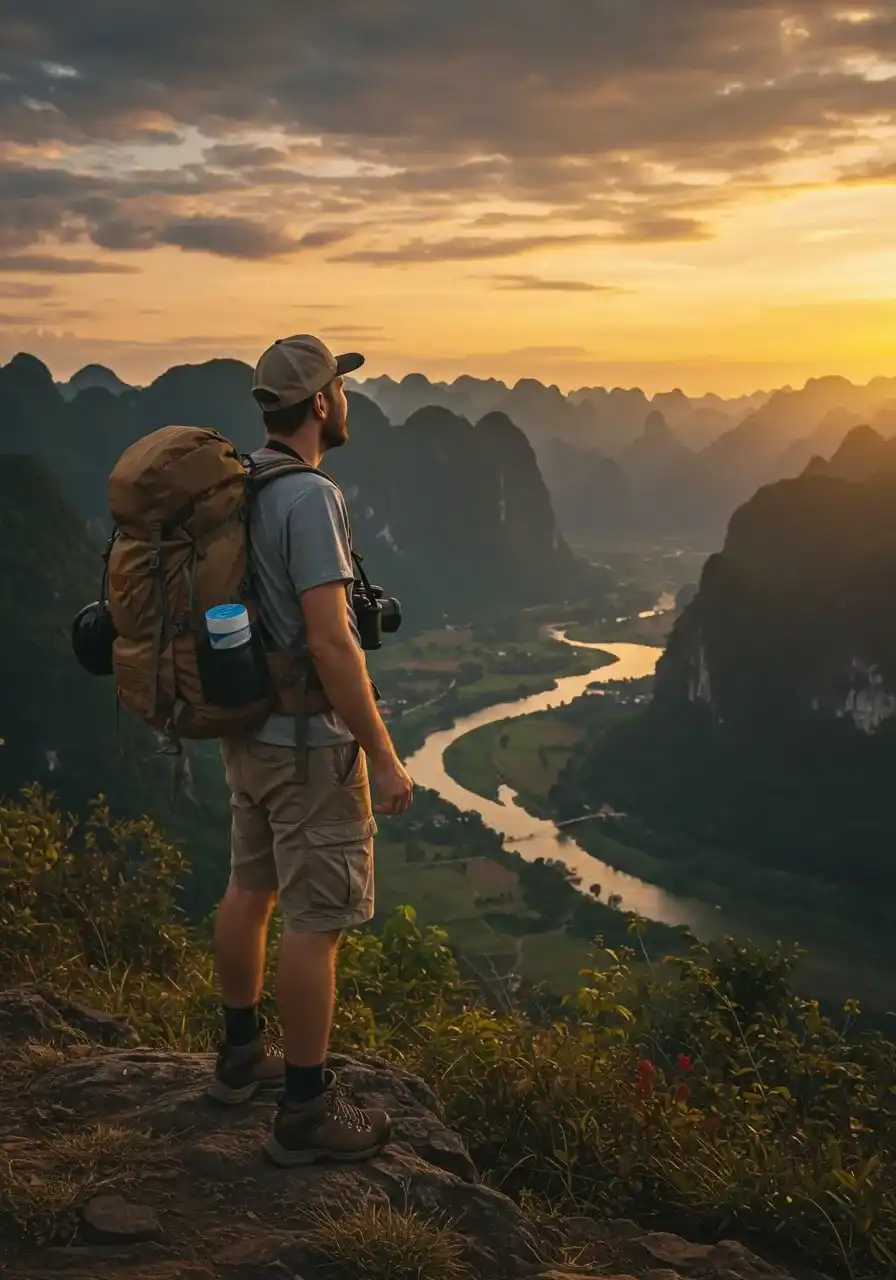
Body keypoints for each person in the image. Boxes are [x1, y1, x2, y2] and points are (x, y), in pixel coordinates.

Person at [207, 335, 415, 1167]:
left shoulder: (238, 484)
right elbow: (333, 643)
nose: (346, 401)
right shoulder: (309, 497)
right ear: (323, 403)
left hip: (247, 730)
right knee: (316, 922)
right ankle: (304, 1106)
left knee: (249, 886)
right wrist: (387, 756)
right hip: (309, 745)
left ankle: (237, 1055)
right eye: (342, 388)